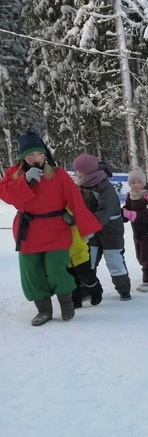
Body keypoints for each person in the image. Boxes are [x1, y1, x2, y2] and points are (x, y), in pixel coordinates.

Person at [0, 132, 101, 325]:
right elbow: (6, 196)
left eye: (39, 153)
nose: (35, 158)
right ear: (23, 156)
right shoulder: (13, 174)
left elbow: (75, 200)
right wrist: (25, 181)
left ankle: (66, 304)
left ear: (45, 154)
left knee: (57, 270)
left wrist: (84, 227)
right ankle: (44, 310)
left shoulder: (58, 174)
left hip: (56, 229)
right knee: (32, 273)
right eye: (30, 154)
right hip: (28, 231)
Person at [73, 152, 132, 301]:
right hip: (91, 229)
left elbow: (106, 210)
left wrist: (90, 227)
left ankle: (123, 289)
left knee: (114, 259)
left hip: (110, 228)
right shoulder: (81, 184)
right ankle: (87, 288)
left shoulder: (104, 186)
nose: (76, 173)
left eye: (78, 170)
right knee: (89, 258)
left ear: (87, 171)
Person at [122, 167, 148, 292]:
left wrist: (130, 215)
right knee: (140, 256)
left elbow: (147, 215)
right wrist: (121, 215)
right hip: (137, 231)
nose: (136, 185)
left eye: (139, 182)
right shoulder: (131, 196)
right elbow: (126, 210)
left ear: (143, 183)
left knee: (147, 256)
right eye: (133, 182)